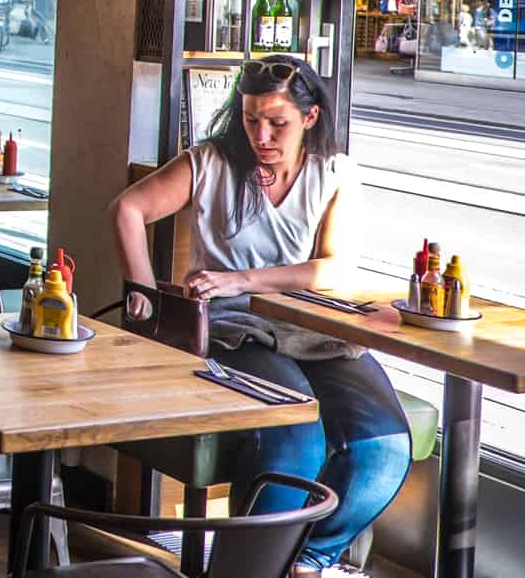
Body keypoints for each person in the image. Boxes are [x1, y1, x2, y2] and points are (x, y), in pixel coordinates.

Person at [109, 56, 411, 577]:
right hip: (234, 331)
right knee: (295, 432)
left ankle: (307, 560)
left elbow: (333, 267)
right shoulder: (210, 162)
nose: (261, 134)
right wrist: (141, 290)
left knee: (383, 444)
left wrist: (244, 279)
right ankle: (245, 570)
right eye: (251, 120)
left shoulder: (335, 172)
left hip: (317, 331)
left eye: (278, 123)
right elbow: (128, 209)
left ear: (310, 118)